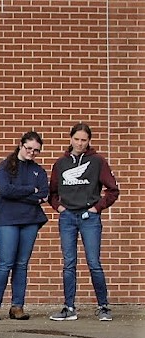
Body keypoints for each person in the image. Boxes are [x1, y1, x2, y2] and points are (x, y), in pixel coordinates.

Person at [47, 123, 120, 322]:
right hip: (68, 218)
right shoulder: (60, 164)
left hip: (90, 218)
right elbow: (51, 192)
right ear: (70, 139)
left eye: (84, 140)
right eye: (76, 139)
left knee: (94, 263)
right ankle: (69, 307)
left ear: (89, 141)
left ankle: (103, 307)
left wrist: (97, 208)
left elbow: (113, 190)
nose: (80, 143)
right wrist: (59, 208)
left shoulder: (97, 161)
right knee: (69, 263)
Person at [0, 132, 48, 321]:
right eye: (28, 148)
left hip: (30, 220)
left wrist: (23, 193)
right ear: (21, 145)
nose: (31, 153)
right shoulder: (6, 166)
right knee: (5, 263)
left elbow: (44, 195)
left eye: (36, 150)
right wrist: (31, 190)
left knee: (21, 265)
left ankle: (17, 306)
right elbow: (5, 190)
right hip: (6, 219)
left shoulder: (39, 171)